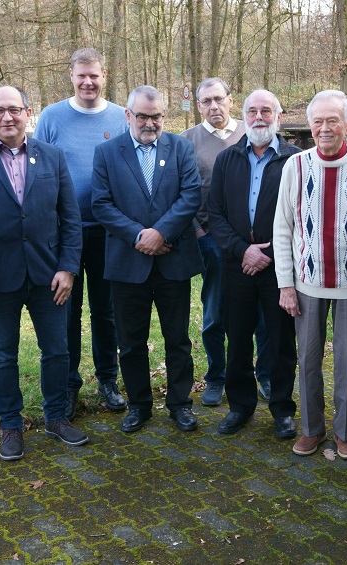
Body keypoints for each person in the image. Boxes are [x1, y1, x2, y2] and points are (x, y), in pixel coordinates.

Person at [0, 85, 87, 461]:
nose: (7, 117)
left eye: (14, 109)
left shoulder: (53, 156)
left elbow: (70, 218)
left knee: (57, 351)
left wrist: (68, 268)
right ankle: (10, 426)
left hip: (49, 276)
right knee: (3, 355)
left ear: (29, 112)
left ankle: (56, 418)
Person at [274, 90, 347, 460]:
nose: (325, 128)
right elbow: (283, 229)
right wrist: (286, 284)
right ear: (310, 125)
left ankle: (344, 432)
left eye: (333, 120)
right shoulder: (295, 167)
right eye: (318, 121)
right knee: (307, 360)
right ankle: (311, 429)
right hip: (306, 286)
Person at [91, 85, 203, 434]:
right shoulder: (108, 152)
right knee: (131, 341)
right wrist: (141, 236)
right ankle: (139, 405)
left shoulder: (181, 148)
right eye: (142, 116)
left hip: (173, 262)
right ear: (128, 116)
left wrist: (161, 233)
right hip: (127, 264)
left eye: (156, 116)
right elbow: (101, 204)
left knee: (178, 339)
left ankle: (180, 404)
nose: (149, 123)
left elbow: (191, 195)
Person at [33, 48, 127, 419]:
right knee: (66, 311)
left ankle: (108, 380)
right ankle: (69, 385)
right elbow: (37, 170)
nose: (88, 82)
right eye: (81, 75)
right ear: (70, 75)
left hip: (109, 232)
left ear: (105, 76)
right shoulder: (52, 117)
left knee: (107, 312)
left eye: (95, 75)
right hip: (62, 234)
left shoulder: (122, 116)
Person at [207, 89, 300, 437]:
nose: (259, 117)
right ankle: (241, 407)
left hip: (280, 269)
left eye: (266, 111)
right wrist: (242, 250)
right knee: (239, 340)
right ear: (243, 115)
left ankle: (282, 410)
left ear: (277, 115)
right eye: (252, 111)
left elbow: (304, 216)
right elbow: (214, 213)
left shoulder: (295, 159)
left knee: (279, 341)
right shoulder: (227, 159)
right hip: (236, 265)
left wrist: (268, 253)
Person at [181, 77, 272, 406]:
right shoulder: (186, 141)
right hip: (211, 242)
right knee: (215, 312)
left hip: (255, 245)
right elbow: (181, 193)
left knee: (262, 313)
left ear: (231, 100)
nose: (213, 106)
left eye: (218, 99)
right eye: (205, 101)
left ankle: (265, 374)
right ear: (198, 105)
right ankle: (216, 377)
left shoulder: (253, 134)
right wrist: (199, 234)